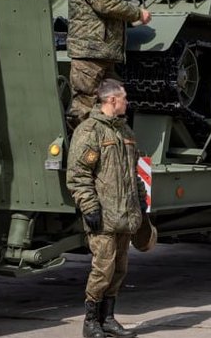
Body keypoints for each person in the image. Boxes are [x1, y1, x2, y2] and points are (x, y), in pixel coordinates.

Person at [67, 79, 148, 338]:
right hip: (103, 216)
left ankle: (108, 318)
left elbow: (133, 173)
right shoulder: (90, 132)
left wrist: (142, 199)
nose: (127, 102)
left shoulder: (126, 132)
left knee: (120, 269)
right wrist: (89, 207)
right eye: (124, 97)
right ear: (111, 100)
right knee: (102, 270)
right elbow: (78, 175)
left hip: (125, 215)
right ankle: (91, 322)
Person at [68, 0, 151, 127]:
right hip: (90, 53)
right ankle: (84, 151)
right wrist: (137, 13)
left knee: (113, 104)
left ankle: (109, 149)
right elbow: (104, 3)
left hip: (102, 52)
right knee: (84, 106)